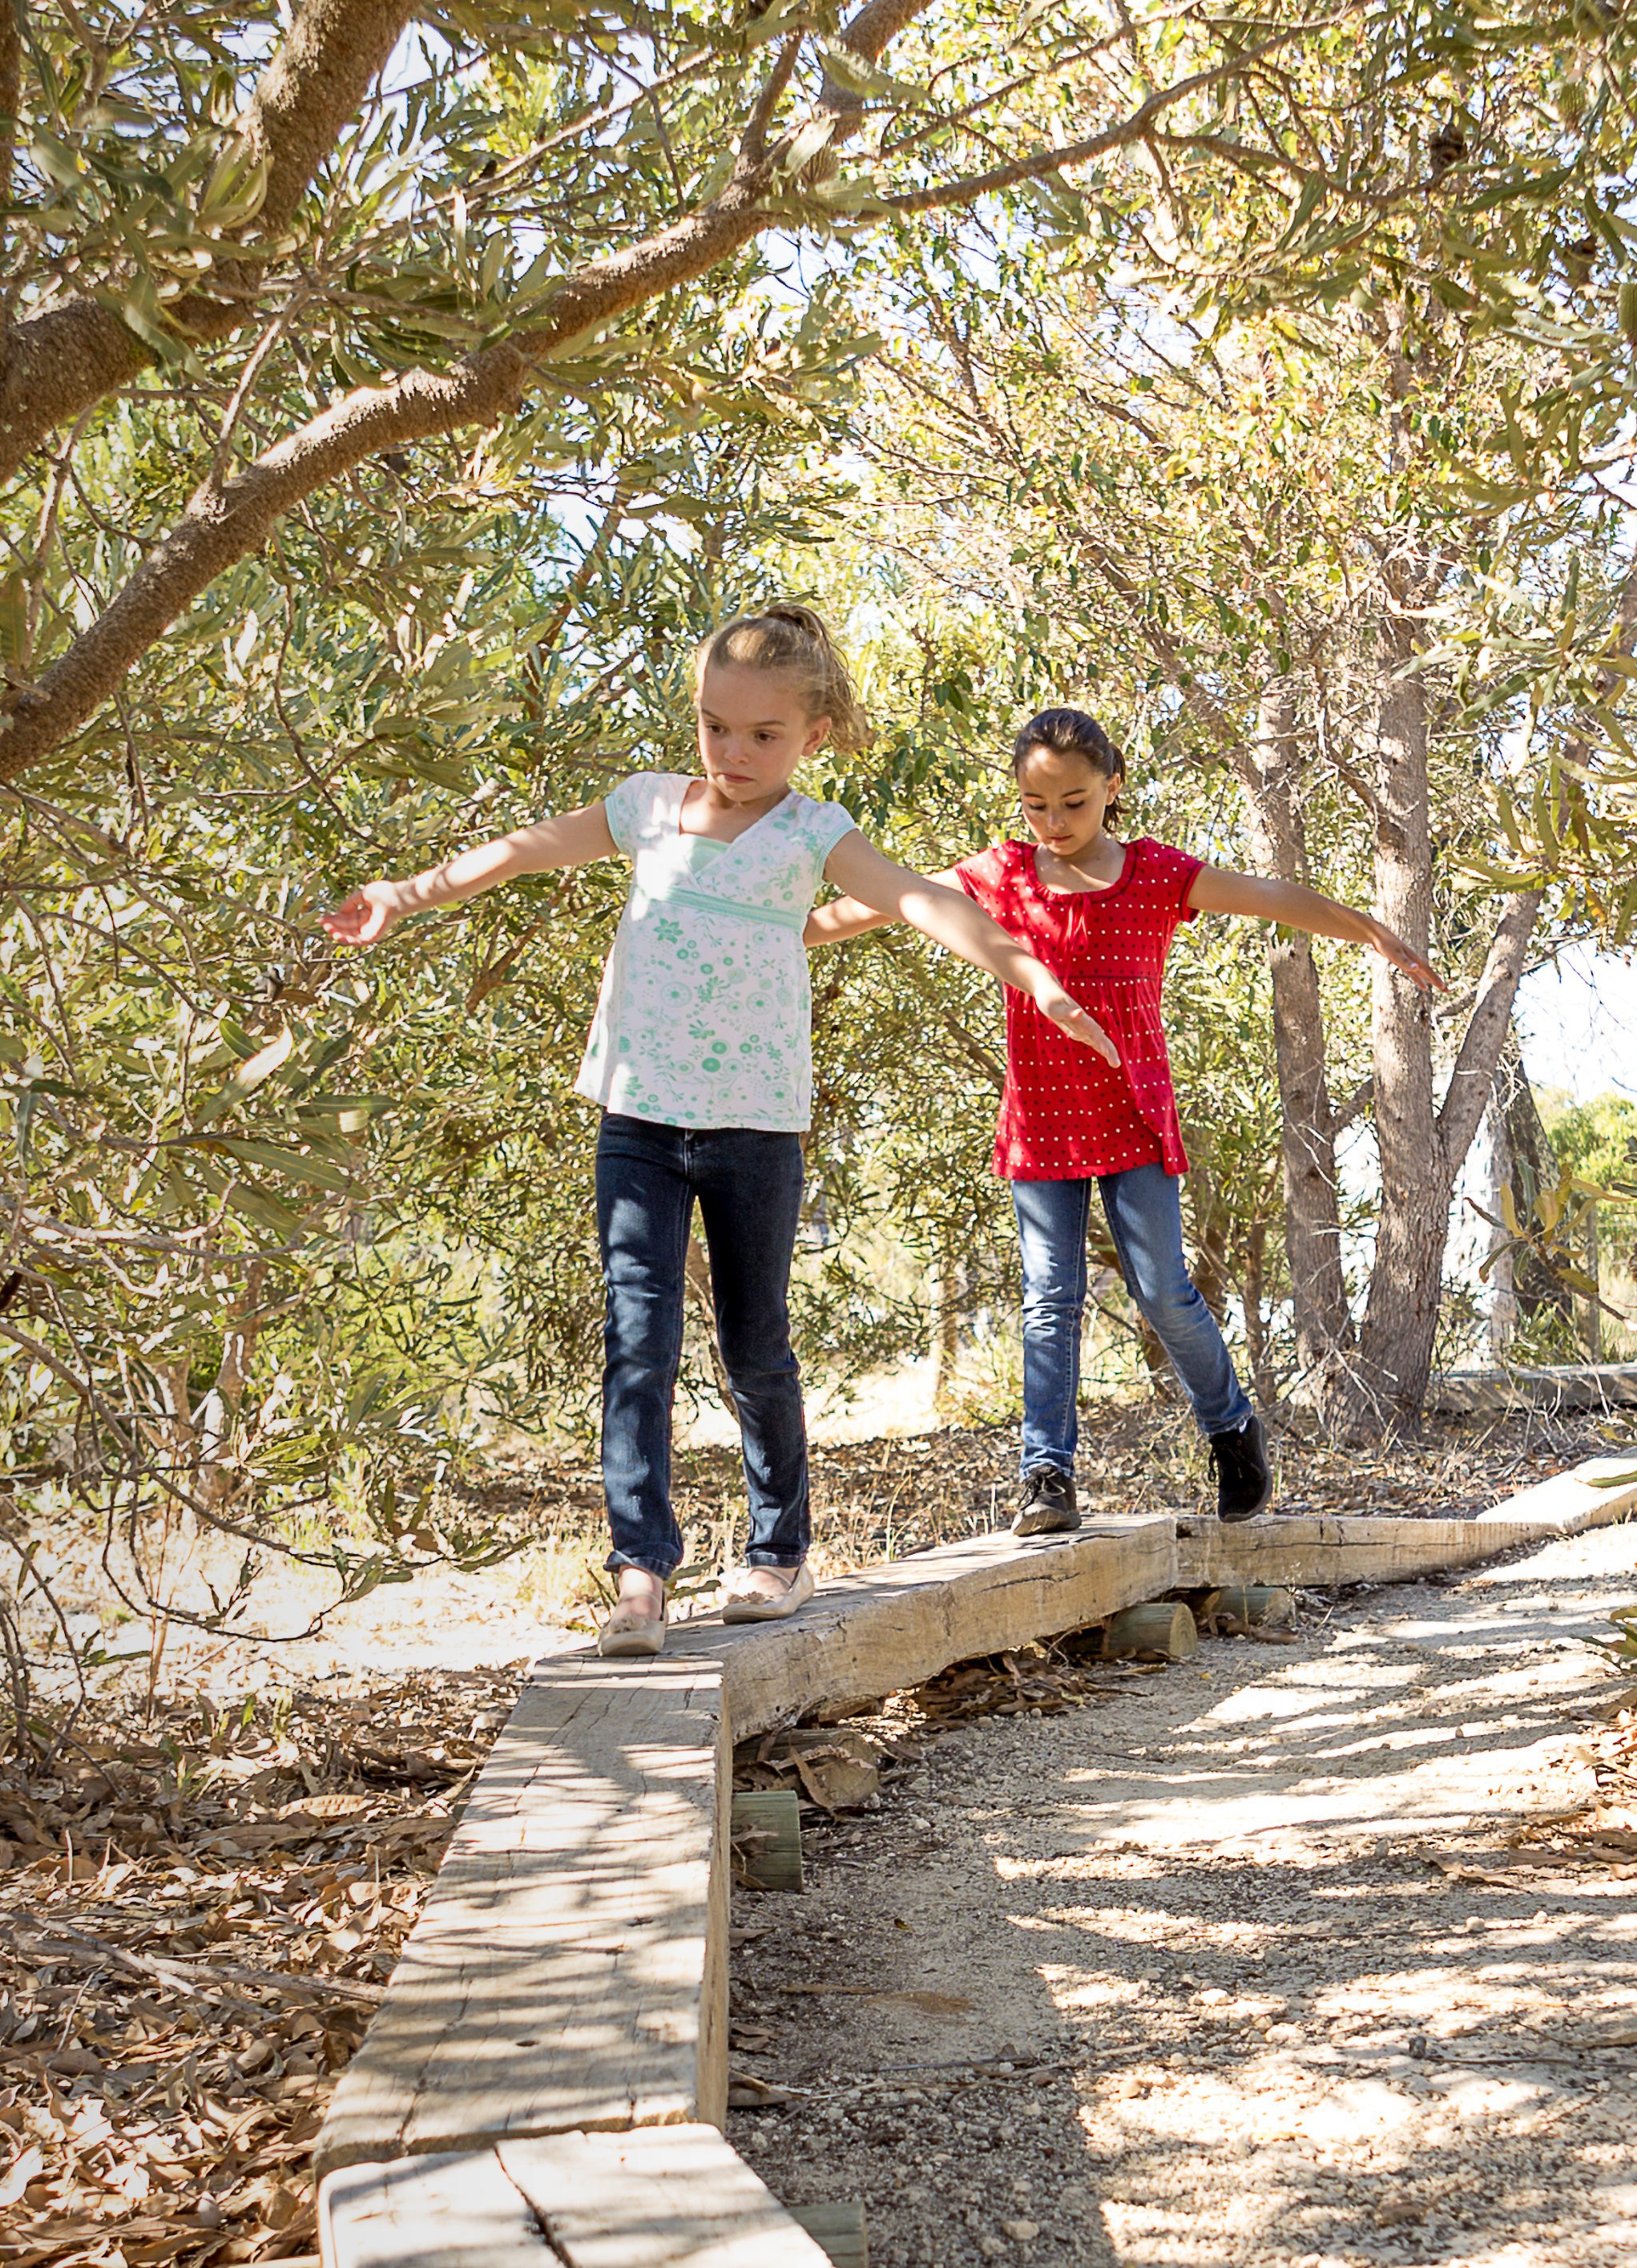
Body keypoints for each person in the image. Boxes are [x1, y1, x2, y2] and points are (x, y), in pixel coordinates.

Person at [321, 606, 1120, 1657]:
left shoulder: (813, 832)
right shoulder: (648, 809)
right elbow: (517, 854)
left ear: (815, 734)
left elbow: (927, 903)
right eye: (715, 728)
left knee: (755, 1346)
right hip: (639, 1119)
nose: (734, 755)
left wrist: (1034, 977)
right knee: (637, 1343)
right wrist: (401, 892)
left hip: (753, 1128)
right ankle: (641, 1573)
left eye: (763, 736)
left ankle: (778, 1550)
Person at [807, 705, 1441, 1536]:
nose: (1054, 821)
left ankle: (1231, 1429)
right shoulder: (999, 873)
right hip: (1041, 1124)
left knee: (1162, 1291)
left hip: (1133, 1116)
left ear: (1111, 787)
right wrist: (766, 930)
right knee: (1047, 1298)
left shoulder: (1154, 874)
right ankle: (1046, 1474)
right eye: (1036, 805)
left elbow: (1269, 897)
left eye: (1072, 801)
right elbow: (881, 904)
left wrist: (1366, 928)